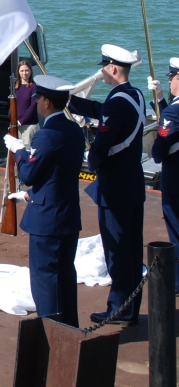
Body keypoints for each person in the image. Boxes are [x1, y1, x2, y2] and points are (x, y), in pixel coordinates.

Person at [68, 44, 145, 325]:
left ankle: (118, 308)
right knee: (133, 250)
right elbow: (102, 111)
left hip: (115, 188)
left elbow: (101, 146)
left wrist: (92, 159)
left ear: (113, 68)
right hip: (133, 184)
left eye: (104, 67)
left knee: (117, 250)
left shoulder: (116, 103)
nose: (101, 72)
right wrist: (72, 101)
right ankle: (130, 305)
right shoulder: (135, 96)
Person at [4, 75, 85, 327]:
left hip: (47, 220)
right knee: (64, 276)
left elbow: (28, 175)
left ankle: (50, 331)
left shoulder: (46, 135)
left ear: (47, 102)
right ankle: (69, 328)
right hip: (68, 214)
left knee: (44, 280)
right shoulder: (74, 129)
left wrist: (19, 152)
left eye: (39, 98)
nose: (37, 102)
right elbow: (56, 172)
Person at [149, 58, 179, 294]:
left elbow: (159, 149)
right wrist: (159, 98)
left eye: (171, 78)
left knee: (175, 227)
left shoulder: (173, 111)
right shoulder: (172, 107)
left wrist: (156, 151)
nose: (169, 82)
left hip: (175, 175)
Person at [15, 60, 39, 146]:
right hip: (16, 126)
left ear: (30, 71)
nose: (24, 73)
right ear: (18, 72)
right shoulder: (15, 86)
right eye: (22, 71)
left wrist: (21, 121)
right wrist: (12, 120)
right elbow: (11, 105)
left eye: (26, 70)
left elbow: (33, 107)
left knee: (27, 154)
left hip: (29, 126)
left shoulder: (34, 87)